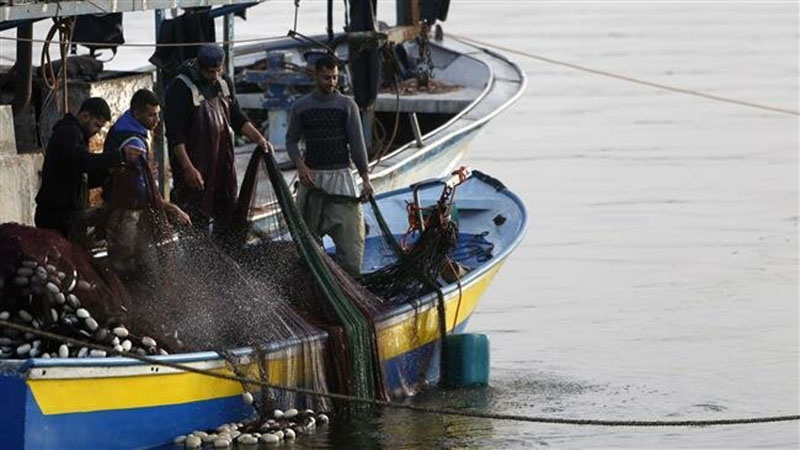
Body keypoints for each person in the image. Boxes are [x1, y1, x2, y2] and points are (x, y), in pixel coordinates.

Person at [164, 42, 272, 239]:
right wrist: (189, 169)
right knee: (196, 220)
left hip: (222, 166)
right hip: (196, 169)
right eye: (209, 72)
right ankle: (197, 264)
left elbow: (237, 117)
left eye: (217, 71)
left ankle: (227, 257)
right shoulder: (180, 88)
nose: (214, 77)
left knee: (227, 213)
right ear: (198, 65)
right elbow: (175, 136)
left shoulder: (224, 83)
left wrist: (259, 139)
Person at [286, 54, 374, 276]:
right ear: (315, 75)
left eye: (335, 77)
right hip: (312, 181)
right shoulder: (301, 107)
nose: (331, 82)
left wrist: (365, 179)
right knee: (308, 246)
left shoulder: (347, 106)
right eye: (326, 77)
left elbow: (357, 144)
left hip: (342, 181)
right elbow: (291, 140)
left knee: (352, 247)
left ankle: (351, 287)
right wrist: (300, 165)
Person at [103, 88, 191, 274]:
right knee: (126, 265)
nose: (157, 120)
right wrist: (172, 208)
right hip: (125, 212)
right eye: (151, 115)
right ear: (136, 113)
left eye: (158, 115)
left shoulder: (124, 125)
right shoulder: (134, 143)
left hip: (125, 206)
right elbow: (141, 190)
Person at [35, 97, 140, 239]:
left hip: (69, 215)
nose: (97, 132)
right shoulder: (68, 133)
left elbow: (82, 177)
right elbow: (83, 162)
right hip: (57, 216)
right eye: (97, 125)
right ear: (85, 116)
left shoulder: (78, 137)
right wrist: (119, 155)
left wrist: (110, 172)